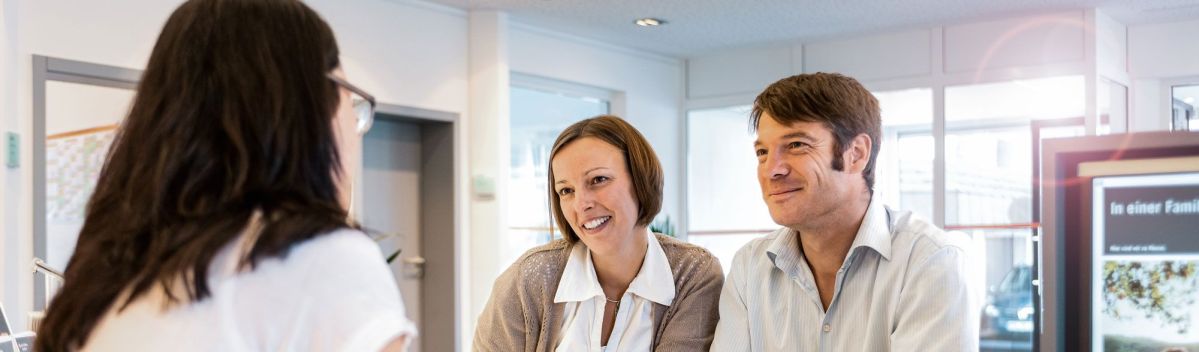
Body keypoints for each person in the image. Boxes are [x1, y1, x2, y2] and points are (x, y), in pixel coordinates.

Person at [35, 0, 415, 351]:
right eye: (352, 102)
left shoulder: (105, 273)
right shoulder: (327, 260)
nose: (354, 126)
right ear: (307, 112)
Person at [710, 73, 978, 351]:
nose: (771, 169)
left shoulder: (929, 261)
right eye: (762, 152)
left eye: (796, 145)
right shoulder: (749, 267)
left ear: (857, 154)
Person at [474, 115, 723, 351]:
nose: (581, 204)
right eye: (566, 191)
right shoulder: (527, 279)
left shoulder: (693, 274)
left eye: (598, 179)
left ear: (641, 180)